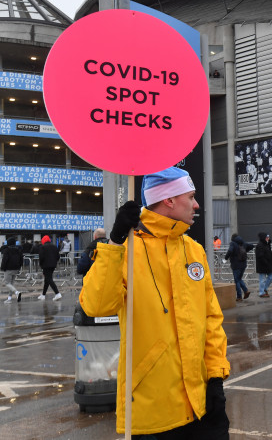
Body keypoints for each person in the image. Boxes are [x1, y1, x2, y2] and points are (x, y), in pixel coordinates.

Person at [79, 166, 230, 438]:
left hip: (200, 405)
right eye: (191, 196)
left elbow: (211, 319)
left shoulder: (193, 250)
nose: (197, 205)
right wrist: (114, 243)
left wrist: (216, 377)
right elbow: (96, 306)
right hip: (151, 411)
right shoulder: (127, 249)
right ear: (169, 199)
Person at [225, 233, 254, 302]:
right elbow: (252, 246)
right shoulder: (243, 243)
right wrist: (246, 250)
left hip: (236, 265)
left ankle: (239, 296)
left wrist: (226, 258)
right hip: (243, 264)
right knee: (239, 279)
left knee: (237, 280)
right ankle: (246, 291)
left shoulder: (233, 243)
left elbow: (230, 251)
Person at [38, 235, 61, 301]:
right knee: (47, 280)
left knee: (49, 279)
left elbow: (41, 258)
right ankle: (43, 295)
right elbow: (58, 256)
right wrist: (54, 261)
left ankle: (57, 293)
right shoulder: (54, 246)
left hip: (46, 265)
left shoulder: (42, 247)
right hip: (53, 265)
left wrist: (41, 265)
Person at [255, 232, 272, 298]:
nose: (268, 238)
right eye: (267, 237)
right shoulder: (260, 245)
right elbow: (260, 256)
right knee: (262, 279)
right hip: (262, 265)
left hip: (268, 265)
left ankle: (264, 289)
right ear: (264, 238)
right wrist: (266, 263)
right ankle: (262, 292)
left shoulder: (267, 244)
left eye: (268, 237)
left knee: (271, 277)